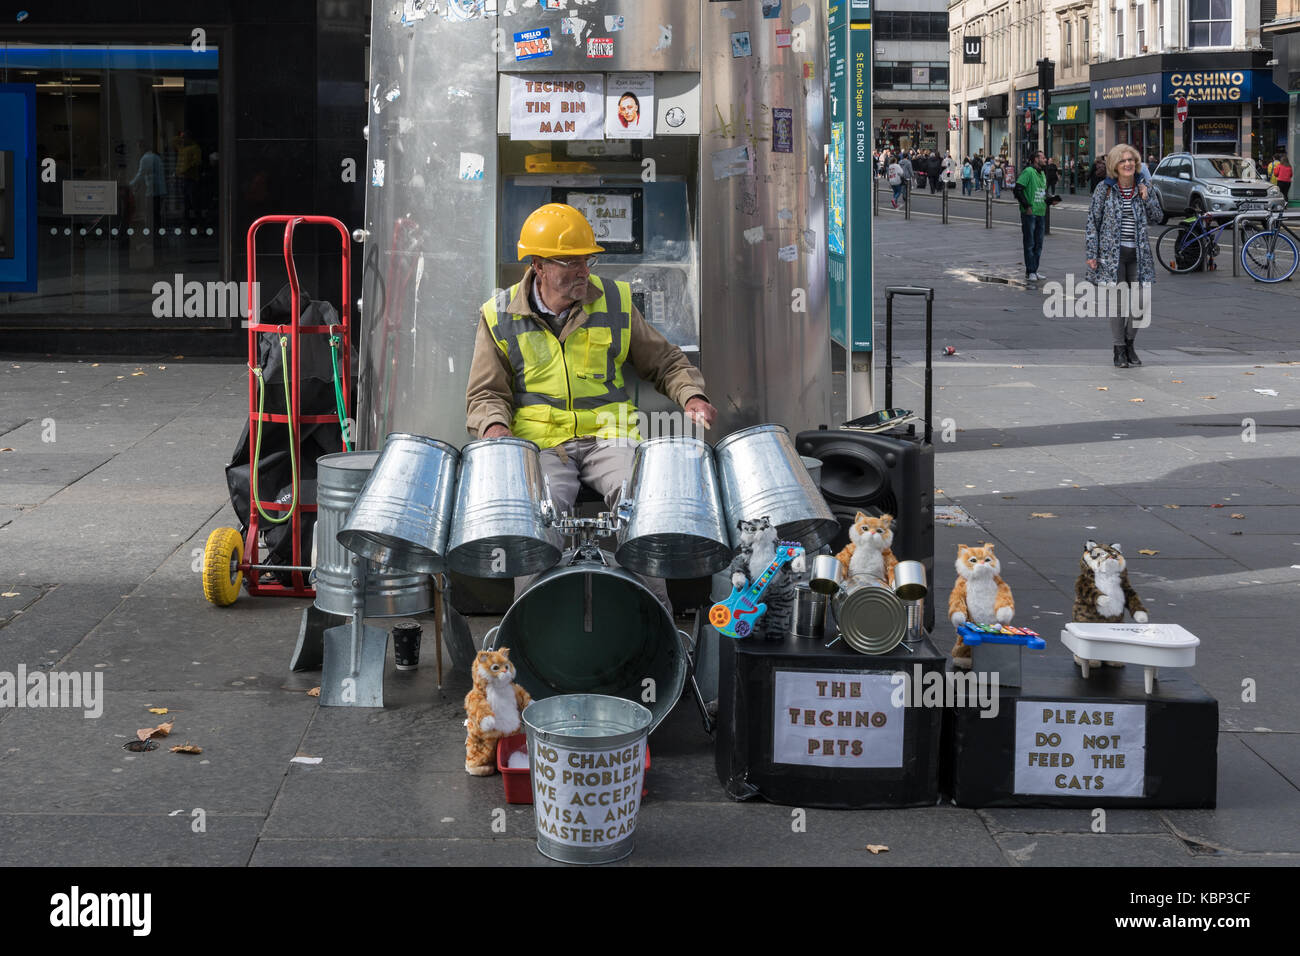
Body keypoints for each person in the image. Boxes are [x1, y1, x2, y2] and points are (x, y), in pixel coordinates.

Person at [466, 204, 718, 608]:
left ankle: (656, 622)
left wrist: (692, 394)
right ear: (539, 266)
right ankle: (531, 626)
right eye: (570, 261)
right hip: (542, 445)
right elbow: (485, 394)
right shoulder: (498, 315)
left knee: (641, 503)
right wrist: (496, 432)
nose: (583, 270)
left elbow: (664, 361)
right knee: (537, 518)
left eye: (588, 259)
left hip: (610, 437)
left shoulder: (615, 301)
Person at [1085, 144, 1164, 369]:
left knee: (1140, 303)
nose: (1128, 164)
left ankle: (1130, 343)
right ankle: (1119, 349)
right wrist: (1092, 253)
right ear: (1115, 166)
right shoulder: (1105, 188)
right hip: (1113, 255)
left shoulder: (1144, 186)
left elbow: (1157, 217)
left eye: (1131, 160)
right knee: (1119, 304)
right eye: (1123, 161)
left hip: (1139, 254)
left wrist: (1147, 197)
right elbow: (1093, 221)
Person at [1013, 149, 1061, 282]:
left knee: (1038, 244)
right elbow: (1017, 189)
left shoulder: (1043, 174)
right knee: (1030, 243)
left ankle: (1034, 269)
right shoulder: (1028, 172)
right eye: (1043, 158)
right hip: (1030, 213)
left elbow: (1042, 194)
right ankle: (1030, 271)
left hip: (1041, 212)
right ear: (1036, 159)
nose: (1045, 159)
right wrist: (1026, 206)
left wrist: (1051, 201)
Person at [128, 139, 164, 241]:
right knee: (156, 214)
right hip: (158, 190)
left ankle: (151, 238)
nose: (138, 150)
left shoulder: (146, 158)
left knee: (150, 214)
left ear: (142, 147)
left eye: (138, 147)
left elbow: (141, 174)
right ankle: (156, 237)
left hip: (153, 191)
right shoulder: (155, 157)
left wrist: (130, 184)